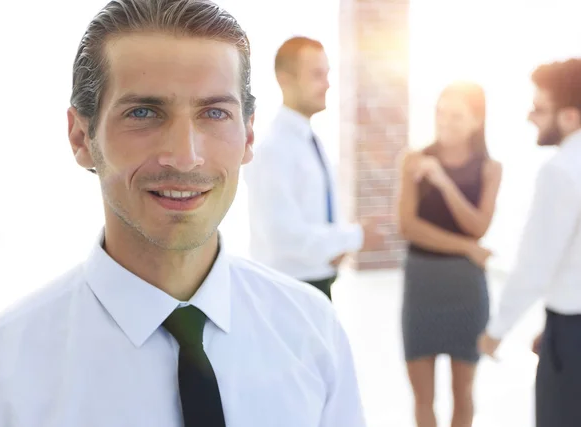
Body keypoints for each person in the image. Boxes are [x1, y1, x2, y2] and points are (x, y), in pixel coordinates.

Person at [0, 2, 367, 426]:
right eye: (143, 113)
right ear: (80, 137)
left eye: (215, 113)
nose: (185, 157)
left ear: (248, 135)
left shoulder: (314, 333)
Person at [478, 58, 581, 427]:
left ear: (570, 117)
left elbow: (535, 266)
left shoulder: (560, 171)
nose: (529, 117)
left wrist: (496, 331)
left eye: (538, 108)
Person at [243, 36, 384, 300]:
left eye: (327, 74)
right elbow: (284, 237)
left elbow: (316, 216)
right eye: (317, 75)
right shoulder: (274, 149)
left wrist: (338, 246)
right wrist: (355, 236)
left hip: (315, 286)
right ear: (285, 79)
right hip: (287, 292)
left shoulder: (310, 140)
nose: (328, 84)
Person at [397, 81, 502, 427]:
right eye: (441, 113)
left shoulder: (490, 168)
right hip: (422, 286)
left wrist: (443, 181)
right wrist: (466, 248)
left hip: (466, 291)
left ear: (477, 121)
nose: (445, 122)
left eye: (456, 116)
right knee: (422, 396)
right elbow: (408, 226)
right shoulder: (414, 160)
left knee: (464, 393)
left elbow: (478, 226)